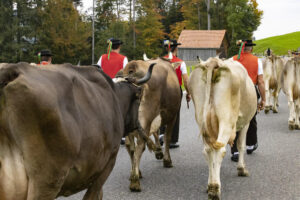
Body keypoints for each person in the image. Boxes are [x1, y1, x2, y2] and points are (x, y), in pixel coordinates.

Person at [231, 39, 266, 162]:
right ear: (251, 49)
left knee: (233, 120)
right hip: (250, 92)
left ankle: (234, 150)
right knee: (251, 117)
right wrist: (263, 99)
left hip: (233, 92)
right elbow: (260, 81)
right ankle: (250, 145)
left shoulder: (232, 60)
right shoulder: (257, 61)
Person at [159, 39, 191, 149]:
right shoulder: (181, 62)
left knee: (161, 111)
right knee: (174, 115)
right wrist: (189, 92)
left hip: (162, 90)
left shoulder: (160, 61)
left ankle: (161, 133)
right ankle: (172, 140)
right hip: (175, 90)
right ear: (176, 49)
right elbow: (186, 80)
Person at [97, 38, 128, 145]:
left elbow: (97, 70)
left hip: (104, 87)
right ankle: (122, 135)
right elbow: (126, 75)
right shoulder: (124, 59)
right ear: (119, 47)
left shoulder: (102, 57)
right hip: (118, 88)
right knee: (120, 111)